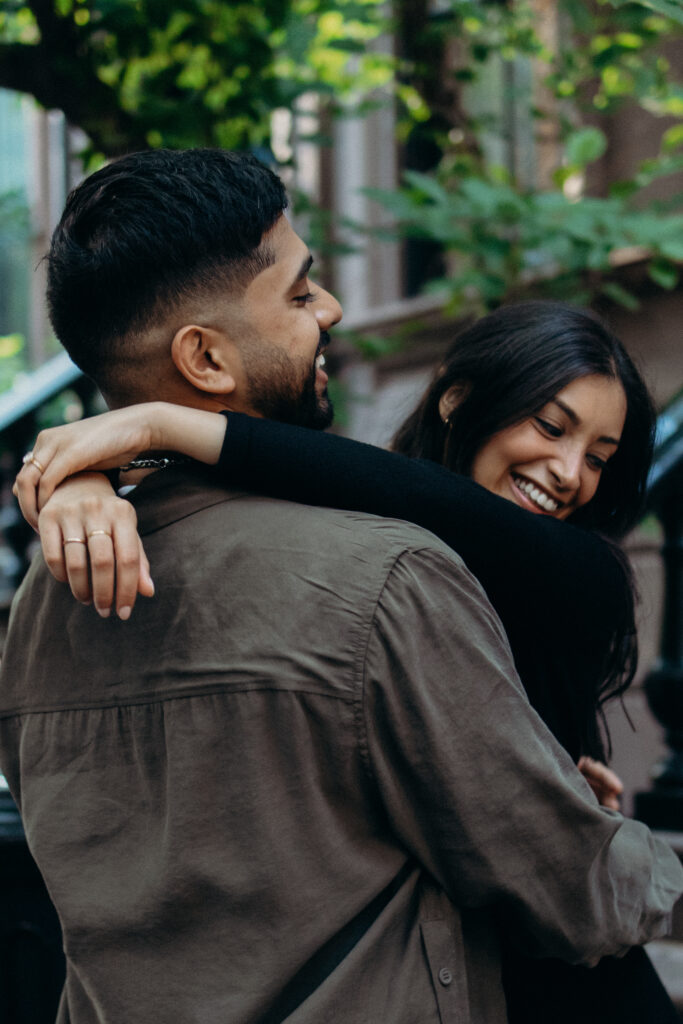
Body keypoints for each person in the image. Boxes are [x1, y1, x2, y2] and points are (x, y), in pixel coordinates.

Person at [2, 150, 682, 1024]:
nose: (329, 310)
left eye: (597, 456)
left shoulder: (41, 608)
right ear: (204, 358)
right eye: (298, 293)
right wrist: (625, 848)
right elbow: (568, 889)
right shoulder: (388, 578)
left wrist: (111, 457)